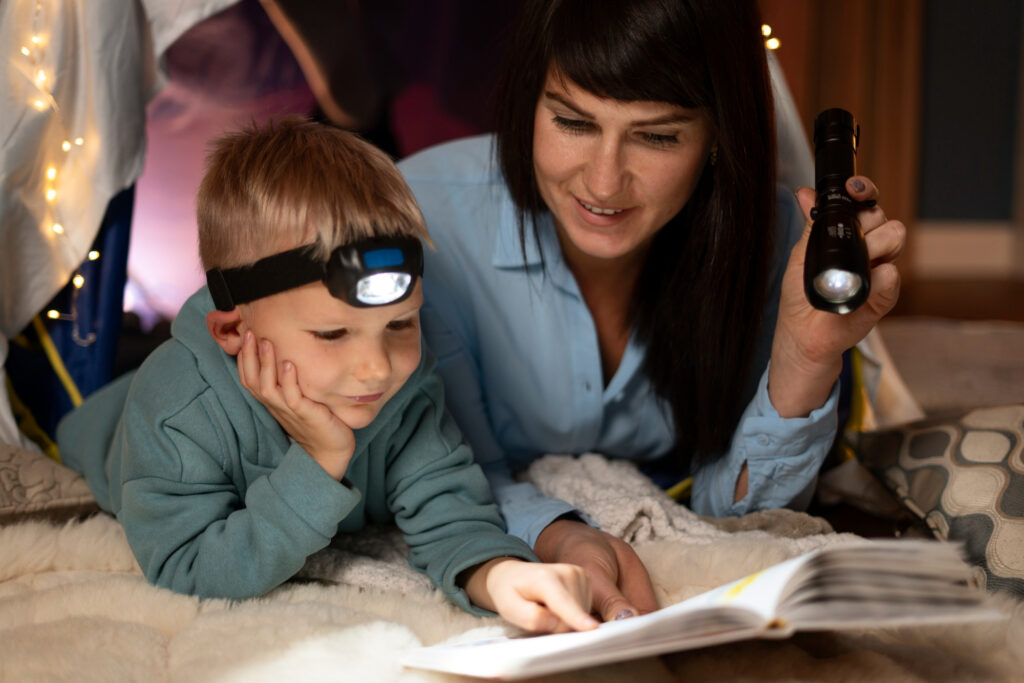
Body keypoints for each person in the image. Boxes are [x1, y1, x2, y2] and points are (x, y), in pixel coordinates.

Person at [398, 0, 905, 623]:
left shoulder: (776, 245)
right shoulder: (425, 223)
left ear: (719, 135)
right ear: (529, 101)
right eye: (573, 123)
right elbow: (439, 475)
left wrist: (808, 353)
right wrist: (560, 535)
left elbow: (744, 521)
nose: (605, 183)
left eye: (657, 136)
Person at [56, 117, 597, 634]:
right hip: (112, 423)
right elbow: (190, 569)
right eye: (333, 334)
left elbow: (449, 504)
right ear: (232, 333)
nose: (377, 366)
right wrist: (319, 462)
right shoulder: (177, 414)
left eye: (400, 323)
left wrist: (499, 575)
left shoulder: (404, 381)